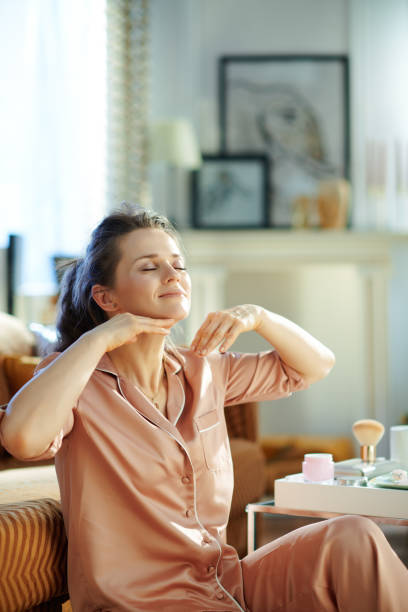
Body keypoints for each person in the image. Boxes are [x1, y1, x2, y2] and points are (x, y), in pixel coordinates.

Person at [1, 205, 407, 612]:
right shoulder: (74, 380)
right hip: (141, 603)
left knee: (353, 537)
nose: (173, 275)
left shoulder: (203, 367)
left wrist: (258, 317)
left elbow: (315, 365)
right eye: (149, 267)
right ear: (105, 297)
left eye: (178, 265)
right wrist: (99, 339)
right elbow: (22, 437)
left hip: (224, 584)